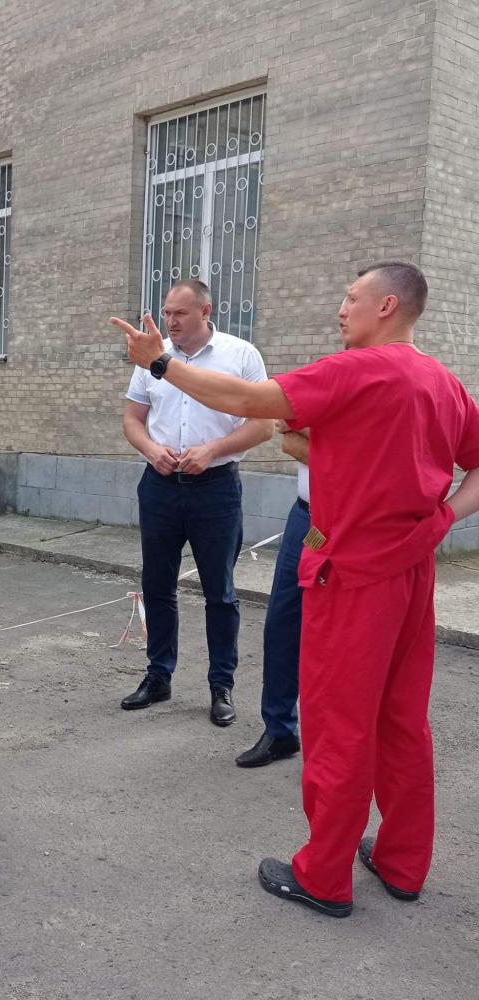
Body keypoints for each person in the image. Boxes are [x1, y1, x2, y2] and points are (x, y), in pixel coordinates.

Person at [112, 261, 479, 918]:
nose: (341, 309)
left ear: (386, 306)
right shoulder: (442, 383)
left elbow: (246, 401)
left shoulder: (356, 370)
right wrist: (446, 516)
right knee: (402, 719)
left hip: (354, 571)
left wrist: (160, 363)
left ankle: (325, 876)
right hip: (411, 568)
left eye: (351, 297)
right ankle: (403, 862)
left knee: (340, 724)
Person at [120, 280, 272, 726]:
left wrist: (214, 450)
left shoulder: (241, 355)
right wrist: (151, 450)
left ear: (206, 311)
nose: (170, 322)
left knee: (219, 592)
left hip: (216, 489)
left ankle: (221, 685)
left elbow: (264, 425)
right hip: (160, 486)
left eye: (180, 313)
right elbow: (132, 419)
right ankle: (158, 676)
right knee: (157, 585)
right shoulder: (153, 357)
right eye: (167, 312)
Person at [235, 422, 309, 767]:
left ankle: (342, 746)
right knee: (282, 624)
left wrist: (311, 434)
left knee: (342, 640)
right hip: (306, 516)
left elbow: (367, 447)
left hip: (357, 521)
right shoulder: (327, 385)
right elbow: (287, 434)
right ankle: (280, 729)